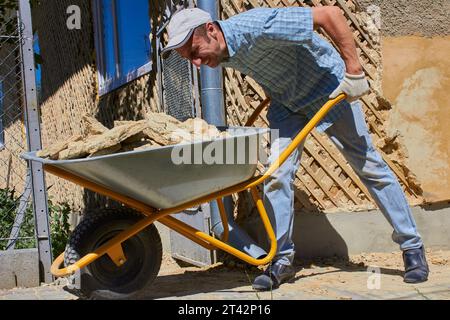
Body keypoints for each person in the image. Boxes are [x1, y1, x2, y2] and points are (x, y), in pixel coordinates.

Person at [161, 6, 429, 291]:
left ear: (211, 30)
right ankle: (283, 259)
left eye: (195, 52)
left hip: (330, 88)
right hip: (287, 105)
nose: (198, 64)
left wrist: (354, 69)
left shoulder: (258, 25)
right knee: (276, 176)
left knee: (369, 166)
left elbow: (330, 15)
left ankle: (412, 248)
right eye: (190, 59)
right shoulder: (220, 52)